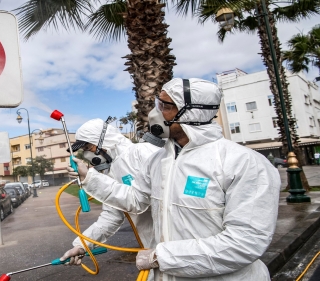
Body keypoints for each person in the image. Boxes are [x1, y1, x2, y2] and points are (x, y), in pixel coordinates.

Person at [71, 78, 281, 281]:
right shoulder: (159, 160)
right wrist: (89, 177)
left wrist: (161, 257)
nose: (156, 113)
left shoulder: (244, 163)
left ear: (192, 112)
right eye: (157, 104)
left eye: (165, 106)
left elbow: (245, 242)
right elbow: (135, 200)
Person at [59, 119, 162, 266]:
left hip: (176, 243)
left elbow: (141, 201)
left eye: (88, 147)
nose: (86, 154)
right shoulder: (109, 171)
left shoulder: (142, 152)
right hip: (153, 250)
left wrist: (90, 178)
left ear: (103, 140)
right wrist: (82, 245)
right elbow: (111, 216)